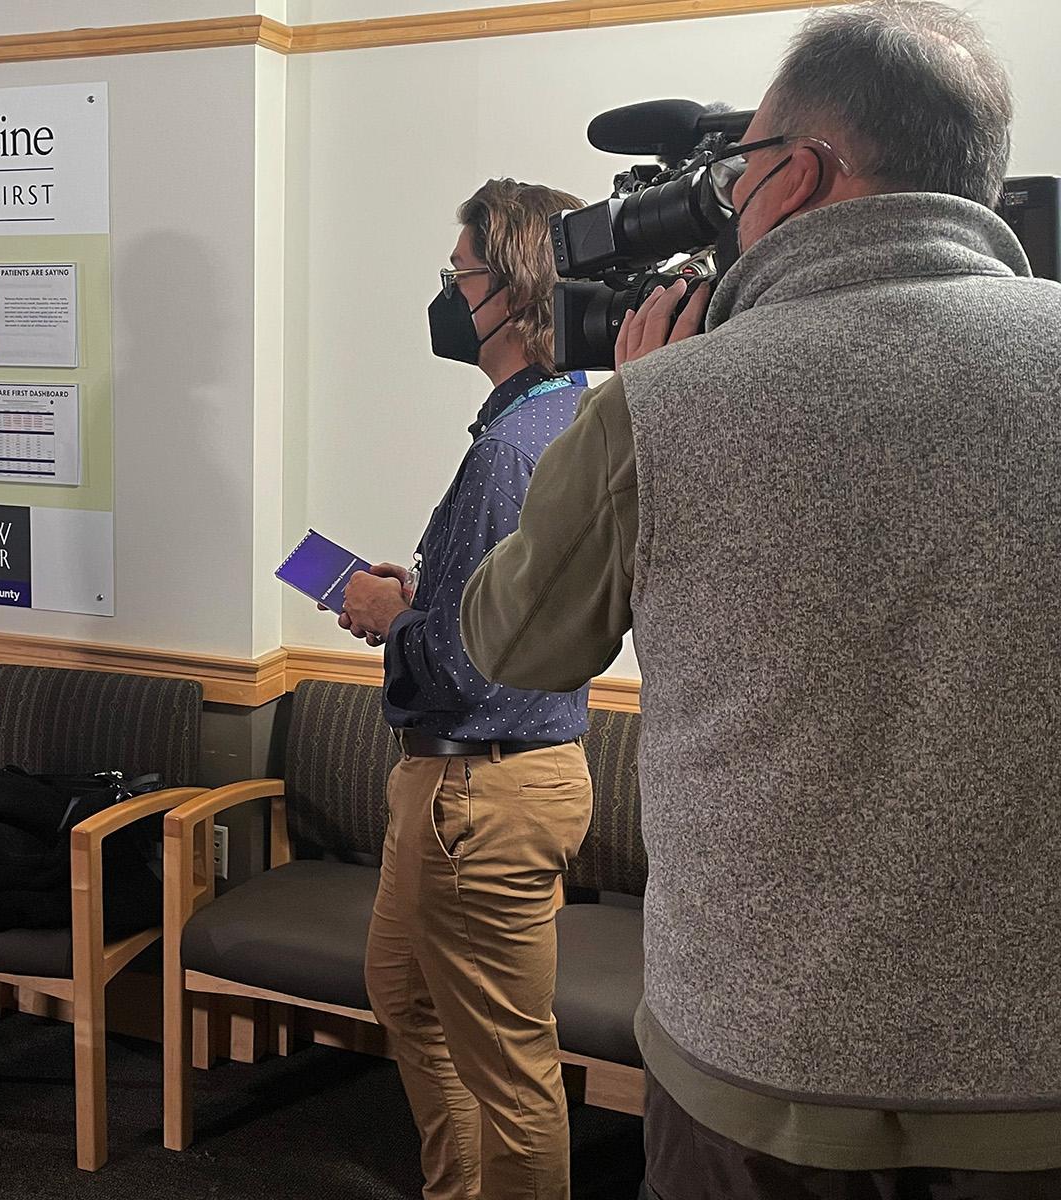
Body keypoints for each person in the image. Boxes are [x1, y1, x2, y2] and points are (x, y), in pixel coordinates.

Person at [460, 4, 1061, 1196]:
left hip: (754, 1076)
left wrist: (621, 413)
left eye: (736, 173)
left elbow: (511, 642)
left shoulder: (666, 403)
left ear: (794, 174)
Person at [336, 179, 594, 1200]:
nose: (448, 294)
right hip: (471, 783)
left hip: (481, 795)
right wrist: (424, 599)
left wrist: (383, 615)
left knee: (513, 1079)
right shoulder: (557, 418)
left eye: (461, 276)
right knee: (401, 993)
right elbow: (498, 614)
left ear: (514, 289)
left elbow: (457, 662)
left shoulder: (512, 450)